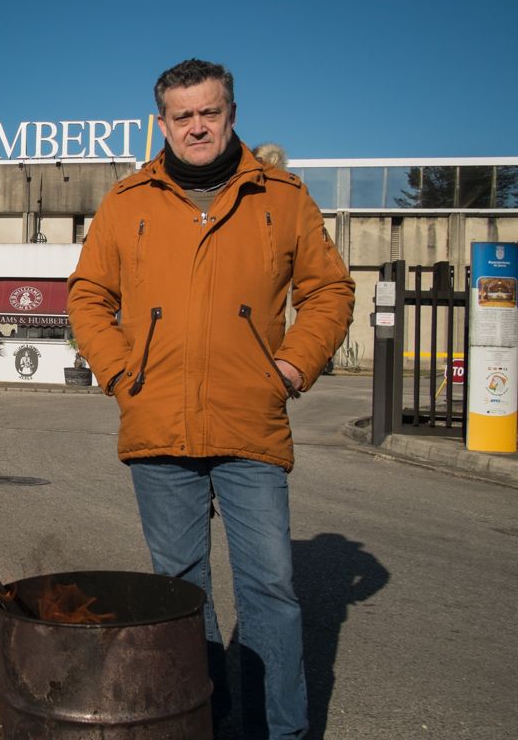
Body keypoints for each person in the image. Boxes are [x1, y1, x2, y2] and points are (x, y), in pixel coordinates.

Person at [67, 59, 354, 740]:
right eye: (183, 115)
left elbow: (329, 290)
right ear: (162, 123)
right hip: (158, 422)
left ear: (231, 114)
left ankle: (277, 732)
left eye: (210, 112)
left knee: (270, 589)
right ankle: (205, 719)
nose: (197, 126)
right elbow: (88, 295)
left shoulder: (282, 196)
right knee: (179, 590)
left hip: (250, 419)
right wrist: (121, 376)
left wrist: (290, 368)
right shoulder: (127, 201)